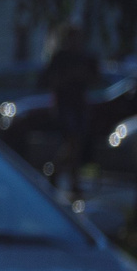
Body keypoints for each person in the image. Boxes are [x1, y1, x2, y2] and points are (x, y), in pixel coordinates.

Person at [39, 23, 102, 198]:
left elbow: (95, 78)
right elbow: (49, 80)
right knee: (72, 140)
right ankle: (68, 179)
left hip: (79, 104)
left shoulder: (85, 56)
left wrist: (83, 75)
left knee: (76, 143)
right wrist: (67, 78)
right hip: (65, 104)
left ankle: (59, 172)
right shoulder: (61, 57)